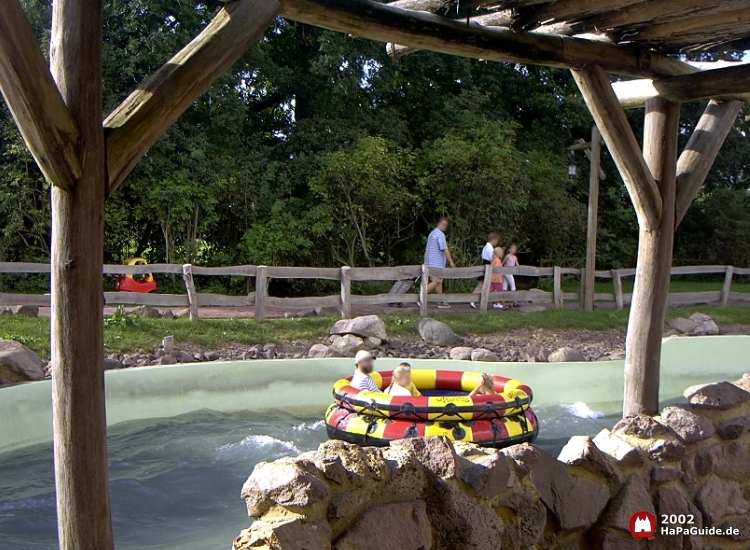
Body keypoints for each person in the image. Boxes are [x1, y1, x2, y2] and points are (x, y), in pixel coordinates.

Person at [424, 217, 456, 309]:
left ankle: (441, 301)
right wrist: (451, 261)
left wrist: (426, 262)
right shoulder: (440, 235)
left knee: (439, 282)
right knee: (437, 280)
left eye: (446, 225)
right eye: (443, 224)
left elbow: (427, 250)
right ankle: (421, 296)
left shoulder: (431, 234)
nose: (444, 226)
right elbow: (444, 249)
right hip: (437, 263)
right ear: (439, 223)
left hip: (430, 263)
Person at [470, 232, 500, 309]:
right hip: (488, 266)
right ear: (494, 240)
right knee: (483, 285)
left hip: (485, 265)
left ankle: (493, 302)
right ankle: (473, 299)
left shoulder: (486, 247)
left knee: (485, 285)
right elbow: (491, 258)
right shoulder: (490, 248)